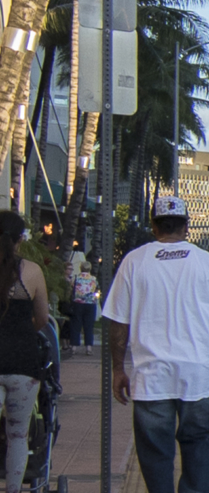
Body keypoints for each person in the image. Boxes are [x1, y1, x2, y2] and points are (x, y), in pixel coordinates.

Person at [102, 195, 209, 493]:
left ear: (153, 225)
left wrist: (117, 369)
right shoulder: (207, 263)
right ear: (186, 227)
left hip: (152, 377)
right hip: (198, 376)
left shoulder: (134, 262)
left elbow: (117, 324)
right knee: (201, 448)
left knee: (154, 454)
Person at [0, 211, 55, 493]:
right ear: (21, 239)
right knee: (18, 435)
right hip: (22, 362)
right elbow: (43, 318)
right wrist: (23, 330)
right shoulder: (31, 271)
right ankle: (13, 489)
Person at [64, 264, 99, 353]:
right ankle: (88, 347)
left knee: (76, 324)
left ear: (80, 268)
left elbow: (72, 289)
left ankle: (74, 347)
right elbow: (96, 290)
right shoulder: (93, 279)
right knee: (88, 325)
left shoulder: (76, 278)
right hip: (90, 303)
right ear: (89, 269)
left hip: (78, 303)